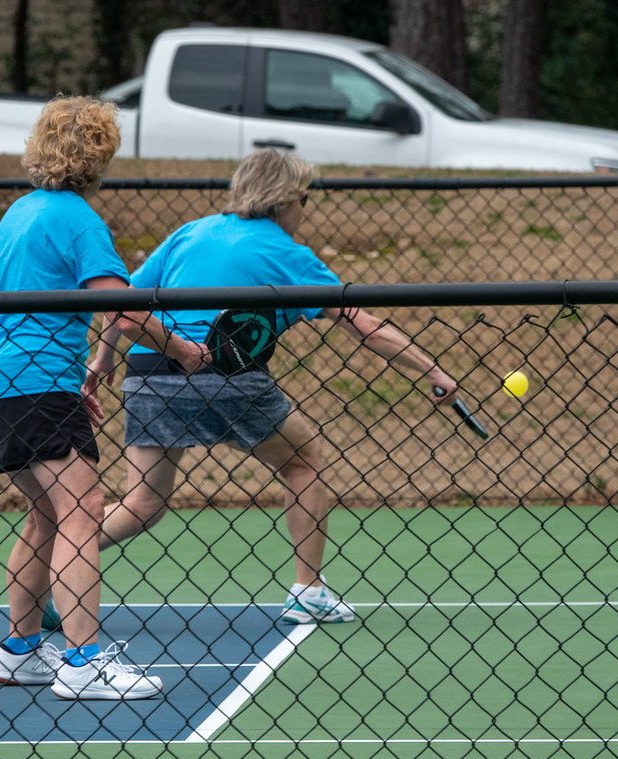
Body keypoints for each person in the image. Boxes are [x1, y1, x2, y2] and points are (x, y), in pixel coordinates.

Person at [42, 147, 459, 632]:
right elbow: (360, 324)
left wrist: (103, 356)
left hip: (150, 375)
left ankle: (59, 574)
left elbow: (124, 300)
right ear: (284, 201)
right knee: (303, 463)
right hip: (228, 379)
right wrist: (432, 369)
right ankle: (308, 590)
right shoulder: (289, 254)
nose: (304, 209)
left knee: (142, 503)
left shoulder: (191, 231)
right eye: (303, 198)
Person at [0, 96, 206, 700]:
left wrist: (74, 379)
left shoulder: (19, 213)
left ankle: (21, 649)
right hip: (36, 379)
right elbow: (122, 307)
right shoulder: (76, 217)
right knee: (80, 511)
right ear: (101, 154)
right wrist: (180, 349)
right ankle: (83, 661)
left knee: (46, 513)